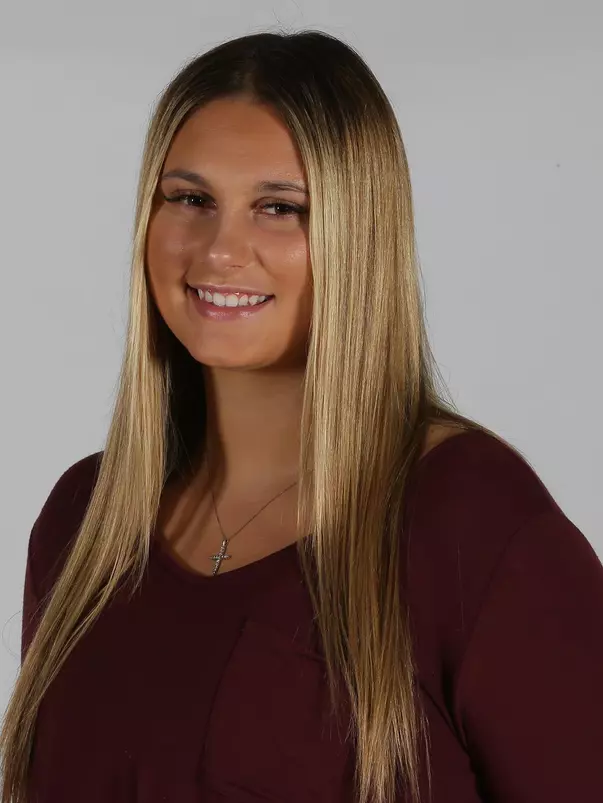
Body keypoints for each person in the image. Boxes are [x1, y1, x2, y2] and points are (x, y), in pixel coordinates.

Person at [1, 28, 602, 803]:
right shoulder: (85, 522)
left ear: (357, 236)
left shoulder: (470, 524)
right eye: (190, 199)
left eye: (280, 209)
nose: (221, 250)